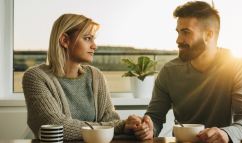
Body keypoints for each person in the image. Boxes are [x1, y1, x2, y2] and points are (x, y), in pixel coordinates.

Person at [22, 13, 151, 140]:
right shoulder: (36, 77)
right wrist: (119, 127)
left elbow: (112, 123)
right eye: (88, 38)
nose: (94, 46)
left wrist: (135, 129)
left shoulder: (96, 76)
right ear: (65, 40)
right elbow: (57, 127)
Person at [144, 1, 242, 143]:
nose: (178, 40)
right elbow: (154, 119)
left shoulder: (237, 64)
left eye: (186, 32)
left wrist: (226, 133)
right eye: (178, 32)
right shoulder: (169, 71)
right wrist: (147, 129)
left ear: (208, 35)